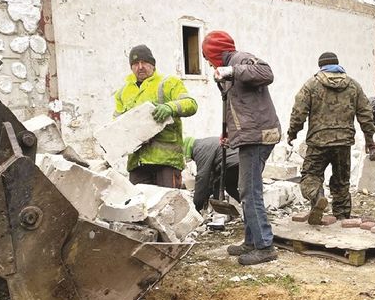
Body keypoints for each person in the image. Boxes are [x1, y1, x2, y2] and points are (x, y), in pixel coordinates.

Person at [201, 30, 281, 265]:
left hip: (258, 136)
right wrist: (227, 134)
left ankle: (265, 246)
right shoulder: (227, 71)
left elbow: (267, 73)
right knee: (246, 188)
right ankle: (251, 241)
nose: (207, 62)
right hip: (250, 135)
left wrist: (234, 71)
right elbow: (236, 106)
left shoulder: (240, 60)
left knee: (250, 191)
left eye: (207, 57)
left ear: (215, 53)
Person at [287, 52, 375, 224]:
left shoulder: (311, 85)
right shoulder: (353, 85)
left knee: (310, 175)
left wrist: (293, 133)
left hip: (318, 141)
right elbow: (366, 113)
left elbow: (299, 112)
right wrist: (370, 140)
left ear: (321, 66)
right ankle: (342, 218)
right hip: (343, 142)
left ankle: (317, 196)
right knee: (341, 181)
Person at [114, 44, 198, 187]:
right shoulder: (123, 92)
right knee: (139, 207)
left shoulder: (168, 82)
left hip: (166, 161)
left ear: (152, 64)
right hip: (137, 162)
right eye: (135, 64)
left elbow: (191, 104)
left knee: (169, 205)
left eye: (144, 62)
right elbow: (117, 124)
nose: (140, 67)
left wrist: (169, 107)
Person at [183, 136, 240, 212]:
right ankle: (246, 206)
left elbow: (202, 177)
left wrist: (196, 205)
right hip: (240, 161)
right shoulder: (205, 143)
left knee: (217, 185)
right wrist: (206, 196)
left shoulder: (199, 149)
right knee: (230, 187)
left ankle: (220, 216)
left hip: (230, 163)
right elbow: (210, 177)